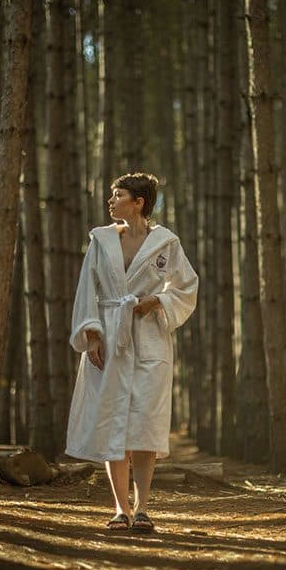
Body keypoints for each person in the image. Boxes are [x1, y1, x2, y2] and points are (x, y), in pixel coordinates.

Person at [66, 172, 199, 533]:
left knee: (144, 422)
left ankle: (142, 508)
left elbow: (186, 286)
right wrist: (91, 335)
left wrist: (158, 300)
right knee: (112, 420)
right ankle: (119, 509)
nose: (110, 201)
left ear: (139, 202)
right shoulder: (101, 240)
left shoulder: (165, 242)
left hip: (150, 338)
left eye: (118, 195)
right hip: (109, 334)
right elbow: (86, 289)